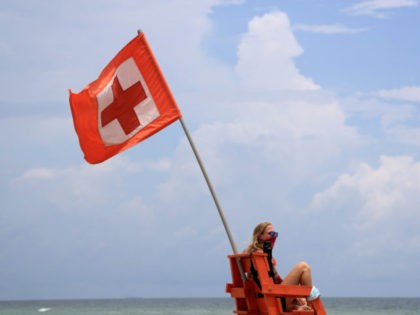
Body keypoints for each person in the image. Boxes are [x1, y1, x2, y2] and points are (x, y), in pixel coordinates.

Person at [244, 221, 320, 311]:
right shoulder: (259, 256)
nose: (274, 236)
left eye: (275, 234)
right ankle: (310, 306)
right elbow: (269, 285)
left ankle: (300, 305)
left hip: (268, 299)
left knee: (301, 295)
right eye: (271, 233)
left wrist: (296, 296)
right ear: (260, 236)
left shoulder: (252, 254)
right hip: (274, 299)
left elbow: (275, 280)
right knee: (303, 267)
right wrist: (297, 294)